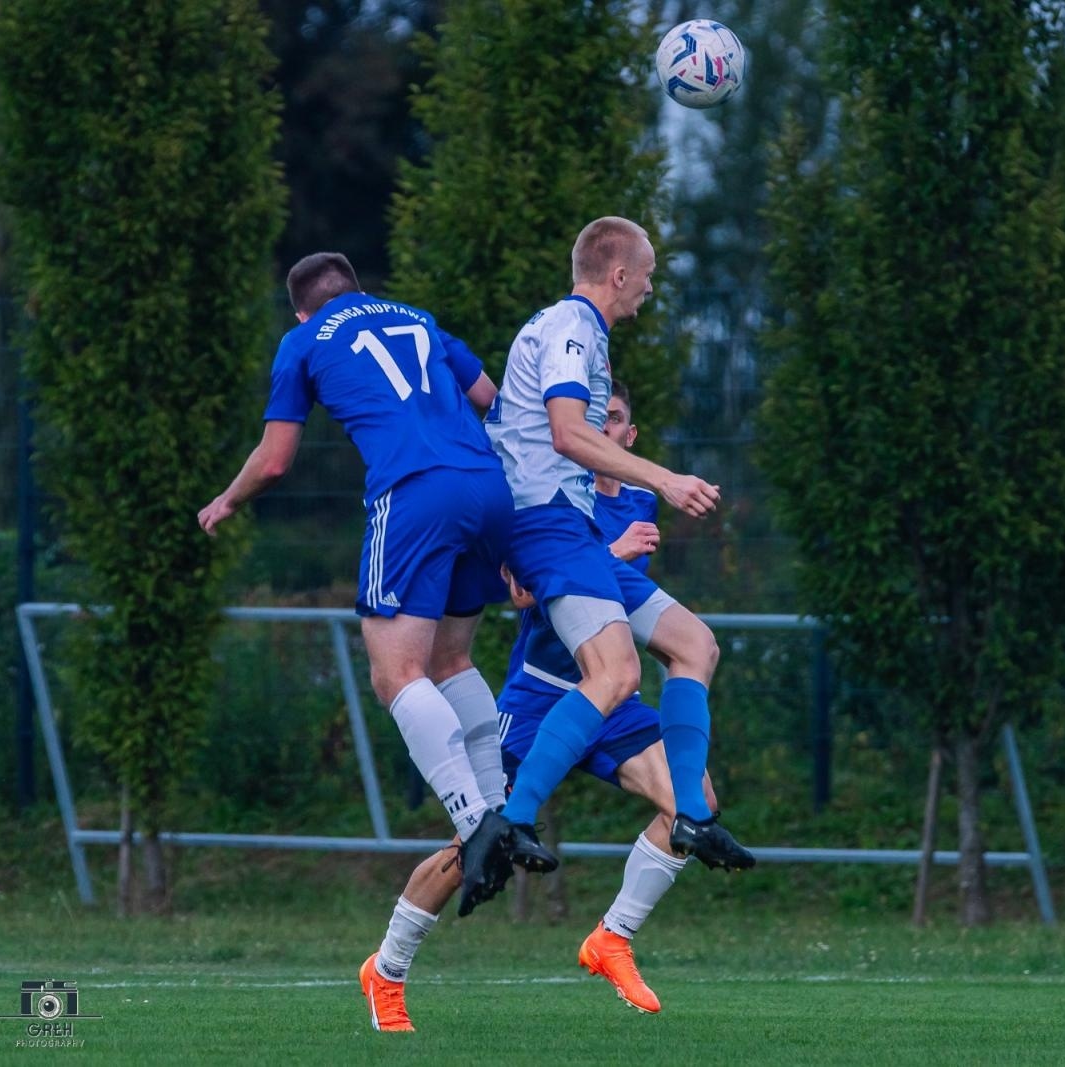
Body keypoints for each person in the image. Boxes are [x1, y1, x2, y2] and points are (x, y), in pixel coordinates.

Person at [359, 388, 727, 1030]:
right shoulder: (543, 501)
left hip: (612, 702)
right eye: (589, 418)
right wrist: (610, 558)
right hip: (538, 704)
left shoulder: (635, 502)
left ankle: (612, 937)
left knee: (695, 802)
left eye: (610, 418)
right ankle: (386, 969)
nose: (599, 427)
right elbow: (523, 593)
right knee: (477, 844)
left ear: (629, 435)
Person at [198, 253, 554, 915]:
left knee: (396, 675)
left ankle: (475, 822)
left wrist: (226, 499)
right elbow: (493, 399)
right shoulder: (418, 319)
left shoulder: (302, 340)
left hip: (415, 491)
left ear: (302, 308)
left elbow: (275, 460)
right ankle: (506, 815)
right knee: (451, 661)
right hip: (487, 484)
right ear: (357, 288)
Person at [481, 216, 753, 889]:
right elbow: (569, 435)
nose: (653, 289)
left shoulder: (579, 335)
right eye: (650, 275)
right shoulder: (573, 328)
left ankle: (690, 812)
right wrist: (665, 477)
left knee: (696, 645)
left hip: (567, 529)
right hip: (547, 523)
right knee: (617, 674)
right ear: (620, 274)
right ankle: (514, 818)